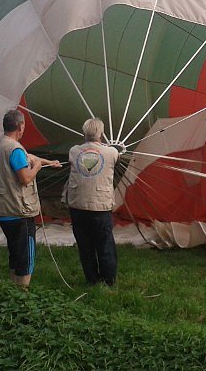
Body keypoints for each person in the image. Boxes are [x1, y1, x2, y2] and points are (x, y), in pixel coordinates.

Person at [0, 109, 61, 289]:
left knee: (15, 250)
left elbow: (29, 157)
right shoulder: (15, 149)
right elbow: (25, 177)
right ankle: (23, 292)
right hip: (18, 211)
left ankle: (13, 287)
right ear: (20, 126)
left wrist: (49, 162)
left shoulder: (2, 144)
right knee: (26, 254)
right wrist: (37, 167)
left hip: (3, 209)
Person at [63, 118, 120, 286]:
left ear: (84, 133)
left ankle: (92, 280)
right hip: (100, 207)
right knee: (105, 245)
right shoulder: (111, 153)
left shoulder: (74, 151)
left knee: (85, 246)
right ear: (101, 134)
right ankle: (109, 281)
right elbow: (116, 154)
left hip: (78, 207)